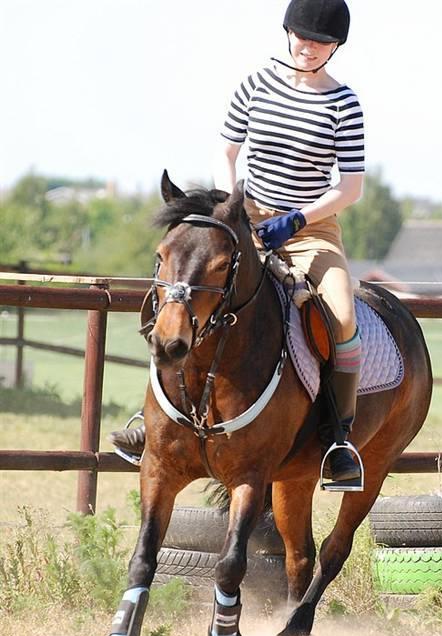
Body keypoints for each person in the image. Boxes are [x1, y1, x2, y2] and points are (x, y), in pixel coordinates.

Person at [111, 0, 364, 485]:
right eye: (303, 38)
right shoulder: (256, 85)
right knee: (179, 294)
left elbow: (350, 187)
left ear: (335, 47)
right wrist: (230, 208)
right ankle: (151, 418)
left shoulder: (344, 102)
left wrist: (296, 220)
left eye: (322, 42)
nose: (309, 49)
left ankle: (338, 439)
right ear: (288, 33)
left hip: (310, 229)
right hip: (241, 218)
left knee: (344, 317)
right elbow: (226, 150)